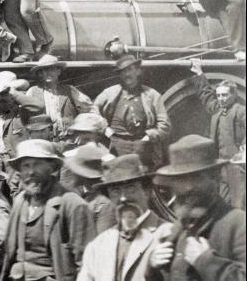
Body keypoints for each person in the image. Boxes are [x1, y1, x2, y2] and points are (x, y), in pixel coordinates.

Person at [149, 135, 246, 281]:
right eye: (179, 179)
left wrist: (206, 261)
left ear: (214, 177)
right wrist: (152, 267)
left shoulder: (238, 223)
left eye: (195, 177)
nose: (186, 187)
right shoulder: (180, 227)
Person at [0, 139, 93, 280]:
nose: (31, 172)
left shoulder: (71, 204)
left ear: (51, 167)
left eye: (37, 165)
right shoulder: (20, 201)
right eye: (26, 166)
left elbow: (87, 262)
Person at [77, 154, 168, 281]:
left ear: (146, 191)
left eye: (130, 188)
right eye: (115, 191)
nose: (123, 198)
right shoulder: (98, 245)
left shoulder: (167, 234)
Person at [93, 55, 170, 168]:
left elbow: (165, 125)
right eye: (123, 71)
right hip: (117, 145)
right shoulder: (109, 93)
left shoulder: (152, 95)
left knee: (144, 177)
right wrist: (105, 130)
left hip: (143, 146)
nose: (127, 75)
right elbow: (92, 112)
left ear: (138, 71)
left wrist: (148, 137)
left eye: (130, 70)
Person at [191, 60, 245, 207]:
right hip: (221, 167)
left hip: (236, 167)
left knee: (238, 204)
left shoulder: (240, 111)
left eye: (224, 95)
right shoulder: (217, 109)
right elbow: (206, 95)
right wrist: (199, 74)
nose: (220, 99)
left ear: (233, 95)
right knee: (223, 203)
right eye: (219, 95)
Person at [24, 55, 97, 140]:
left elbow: (90, 109)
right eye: (44, 70)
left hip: (67, 138)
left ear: (58, 71)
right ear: (40, 74)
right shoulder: (32, 91)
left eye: (52, 69)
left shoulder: (69, 90)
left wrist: (77, 125)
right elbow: (23, 117)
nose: (48, 73)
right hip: (42, 138)